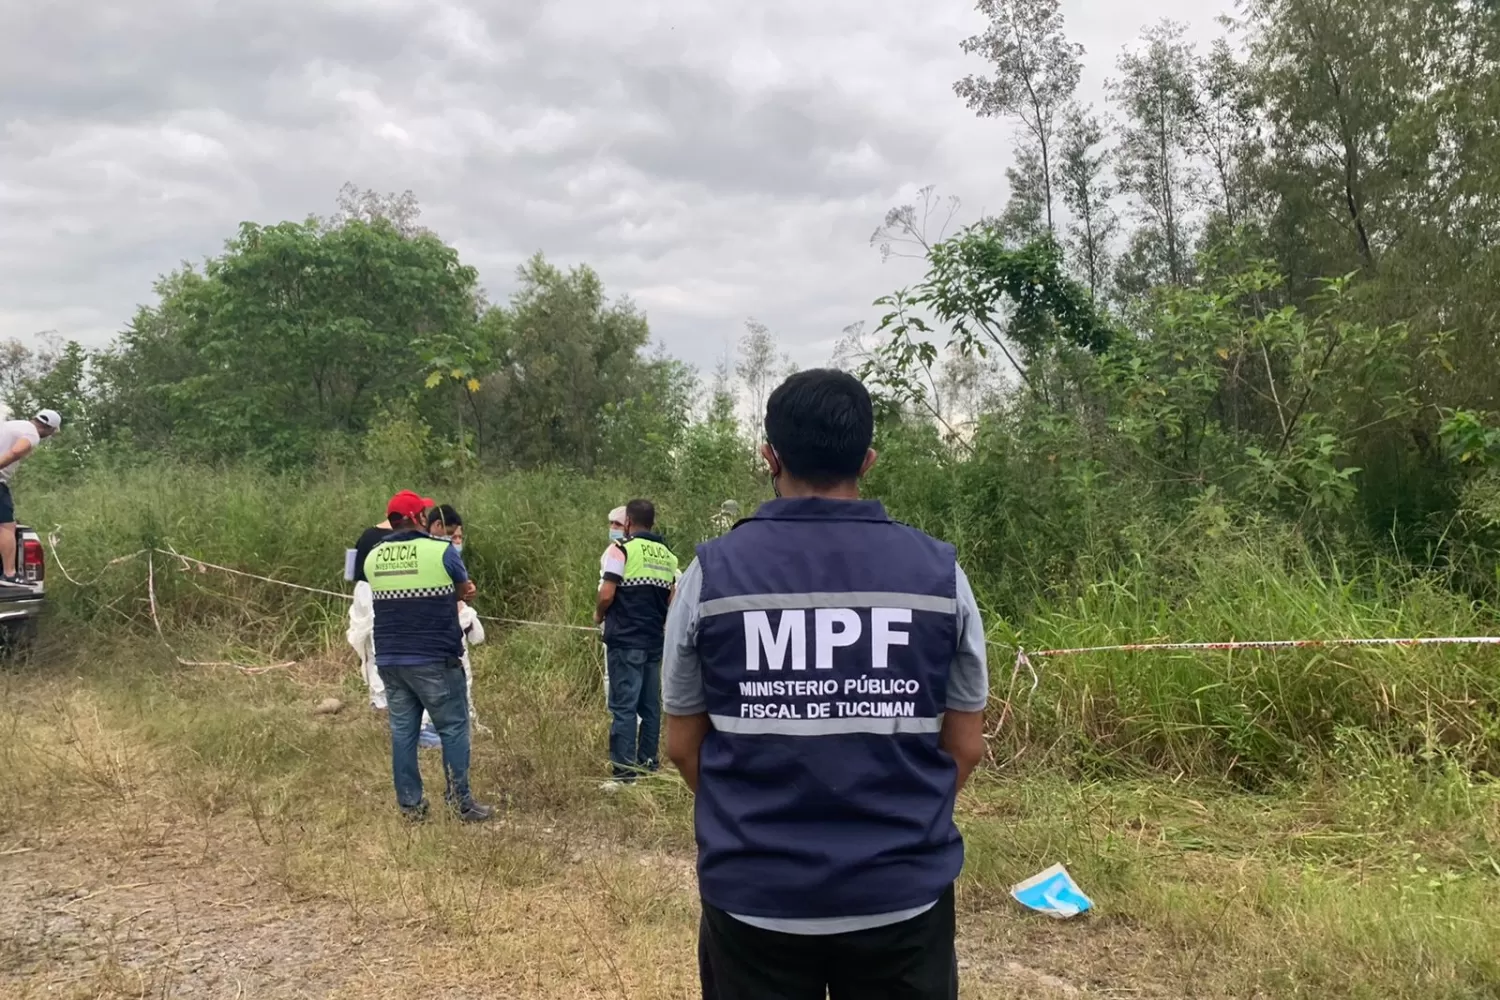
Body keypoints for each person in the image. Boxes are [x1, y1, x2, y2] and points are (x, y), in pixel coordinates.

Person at [663, 369, 989, 1000]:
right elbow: (966, 746)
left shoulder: (711, 575)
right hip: (902, 896)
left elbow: (683, 745)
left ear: (769, 457)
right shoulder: (941, 576)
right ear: (867, 459)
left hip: (755, 896)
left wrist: (754, 820)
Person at [364, 490, 494, 823]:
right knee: (453, 727)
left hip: (391, 659)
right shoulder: (441, 550)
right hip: (434, 656)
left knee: (403, 731)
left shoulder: (374, 556)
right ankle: (460, 801)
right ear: (417, 519)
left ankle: (411, 806)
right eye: (422, 513)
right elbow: (463, 588)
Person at [595, 498, 678, 790]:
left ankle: (623, 774)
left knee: (624, 706)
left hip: (626, 639)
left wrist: (598, 615)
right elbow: (672, 597)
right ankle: (648, 764)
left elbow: (607, 593)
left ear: (629, 521)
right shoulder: (667, 555)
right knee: (651, 705)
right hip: (654, 640)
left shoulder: (621, 551)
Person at [347, 491, 434, 713]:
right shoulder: (406, 540)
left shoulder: (367, 535)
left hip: (365, 592)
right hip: (380, 593)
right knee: (381, 645)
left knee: (373, 646)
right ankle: (382, 698)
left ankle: (381, 697)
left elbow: (350, 570)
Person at [425, 504, 488, 736]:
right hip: (433, 629)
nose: (457, 541)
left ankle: (466, 718)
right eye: (452, 536)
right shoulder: (430, 554)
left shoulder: (451, 557)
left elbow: (461, 587)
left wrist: (467, 592)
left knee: (464, 675)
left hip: (453, 626)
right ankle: (431, 727)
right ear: (436, 527)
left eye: (460, 537)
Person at [0, 409, 61, 587]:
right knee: (6, 526)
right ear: (48, 429)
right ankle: (9, 574)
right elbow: (16, 451)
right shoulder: (31, 434)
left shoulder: (12, 425)